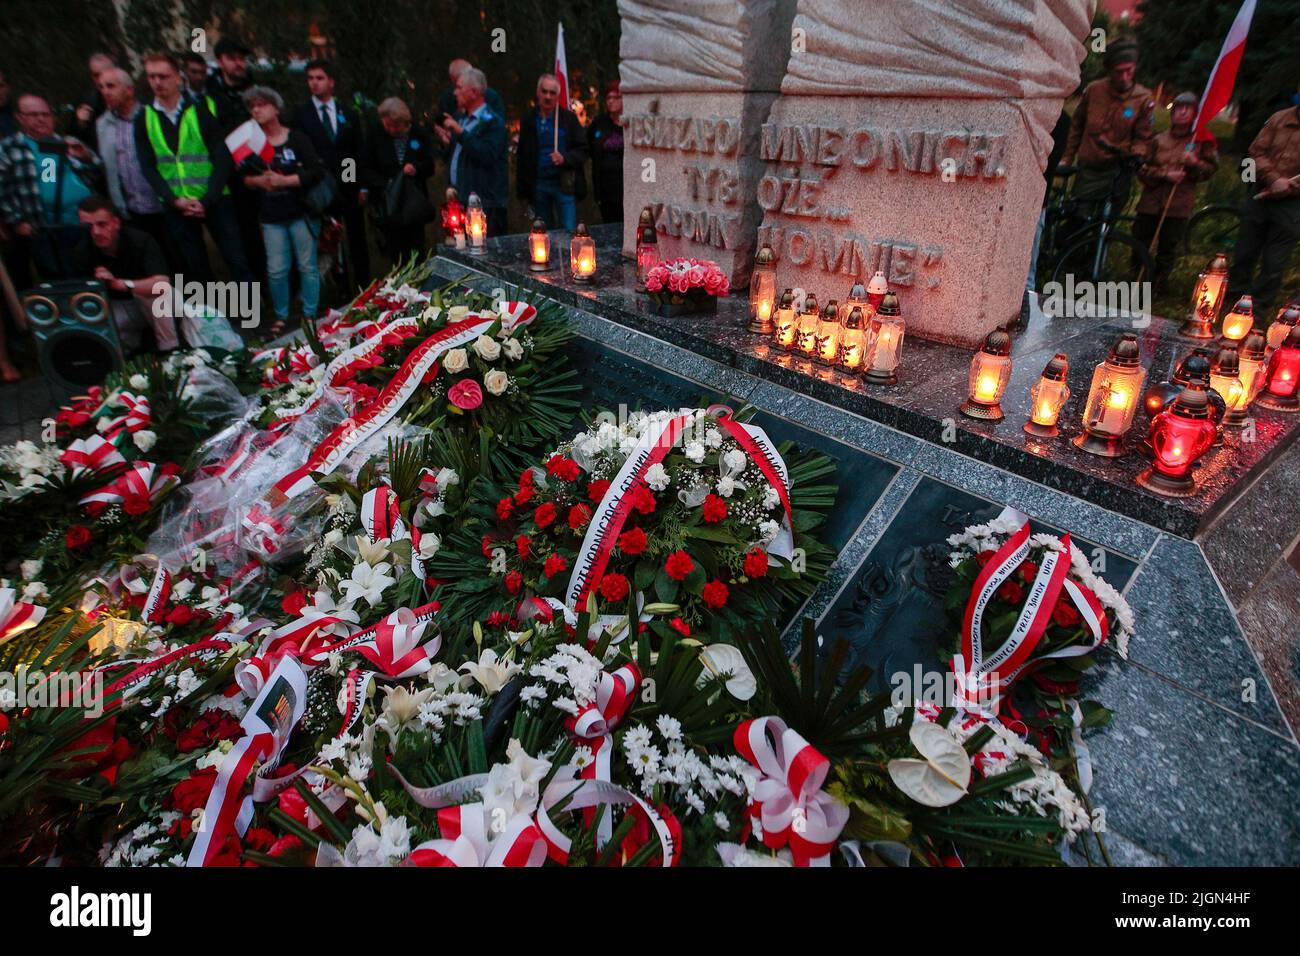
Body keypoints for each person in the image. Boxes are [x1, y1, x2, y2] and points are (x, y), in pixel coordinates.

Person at [134, 52, 252, 284]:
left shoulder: (200, 109)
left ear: (178, 78)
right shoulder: (144, 117)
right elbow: (148, 167)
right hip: (176, 204)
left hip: (214, 199)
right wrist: (172, 200)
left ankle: (251, 315)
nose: (157, 82)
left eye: (163, 76)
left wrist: (207, 200)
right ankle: (207, 319)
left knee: (236, 259)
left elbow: (222, 157)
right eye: (152, 77)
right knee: (194, 267)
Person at [241, 86, 323, 336]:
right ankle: (281, 315)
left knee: (307, 266)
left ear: (276, 108)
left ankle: (310, 313)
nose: (256, 110)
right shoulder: (251, 143)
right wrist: (259, 182)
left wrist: (285, 181)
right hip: (271, 217)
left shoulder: (296, 138)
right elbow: (243, 177)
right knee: (277, 269)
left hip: (300, 212)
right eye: (252, 106)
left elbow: (316, 171)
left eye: (262, 104)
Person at [0, 93, 103, 278]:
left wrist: (86, 157)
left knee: (87, 276)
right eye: (33, 115)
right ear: (19, 117)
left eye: (46, 114)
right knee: (55, 279)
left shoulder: (65, 142)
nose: (41, 119)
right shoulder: (10, 148)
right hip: (44, 230)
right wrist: (16, 221)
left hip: (82, 226)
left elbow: (96, 172)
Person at [292, 59, 369, 286]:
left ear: (331, 82)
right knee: (329, 240)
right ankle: (340, 286)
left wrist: (360, 185)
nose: (314, 83)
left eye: (319, 78)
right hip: (320, 187)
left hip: (348, 182)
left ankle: (364, 285)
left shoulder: (348, 112)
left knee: (356, 237)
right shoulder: (301, 114)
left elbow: (356, 150)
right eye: (310, 78)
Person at [1132, 92, 1218, 293]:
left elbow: (1211, 169)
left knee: (1167, 247)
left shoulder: (1200, 142)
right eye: (1179, 108)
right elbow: (1142, 168)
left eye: (1187, 109)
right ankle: (1137, 278)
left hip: (1178, 204)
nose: (1182, 112)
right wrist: (1164, 174)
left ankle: (1159, 284)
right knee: (1140, 241)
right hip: (1151, 202)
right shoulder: (1158, 140)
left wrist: (1195, 163)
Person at [95, 67, 176, 270]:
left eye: (111, 86)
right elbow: (108, 166)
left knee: (178, 261)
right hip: (132, 210)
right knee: (148, 266)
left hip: (164, 204)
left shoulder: (152, 116)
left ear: (129, 90)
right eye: (101, 87)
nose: (105, 92)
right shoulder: (103, 124)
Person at [71, 196, 174, 352]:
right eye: (88, 226)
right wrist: (97, 284)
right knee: (94, 323)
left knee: (160, 298)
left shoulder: (139, 240)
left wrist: (121, 284)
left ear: (116, 223)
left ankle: (172, 352)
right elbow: (82, 300)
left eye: (102, 224)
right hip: (116, 307)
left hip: (146, 302)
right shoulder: (82, 251)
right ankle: (121, 362)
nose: (96, 232)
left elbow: (162, 284)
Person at [1063, 36, 1155, 210]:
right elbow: (1077, 126)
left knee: (1105, 224)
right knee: (1077, 219)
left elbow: (1143, 137)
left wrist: (1137, 155)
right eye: (1118, 71)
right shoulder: (1094, 91)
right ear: (1110, 70)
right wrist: (1067, 157)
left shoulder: (1143, 99)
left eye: (1129, 70)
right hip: (1089, 169)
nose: (1124, 77)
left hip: (1117, 172)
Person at [1229, 99, 1300, 317]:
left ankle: (1257, 310)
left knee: (1274, 262)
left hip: (1292, 205)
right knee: (1244, 252)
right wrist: (1274, 179)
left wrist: (1290, 187)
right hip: (1260, 195)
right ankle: (1231, 301)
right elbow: (1256, 152)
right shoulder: (1279, 118)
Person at [360, 97, 434, 264]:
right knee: (395, 252)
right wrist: (379, 185)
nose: (390, 129)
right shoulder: (376, 135)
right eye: (387, 125)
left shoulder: (418, 134)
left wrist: (416, 169)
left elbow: (430, 165)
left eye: (395, 126)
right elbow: (365, 167)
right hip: (389, 203)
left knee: (416, 249)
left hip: (413, 204)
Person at [435, 67, 507, 236]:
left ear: (473, 92)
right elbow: (460, 154)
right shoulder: (461, 119)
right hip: (459, 201)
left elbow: (487, 154)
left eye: (459, 88)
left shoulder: (493, 122)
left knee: (484, 255)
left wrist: (460, 133)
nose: (455, 92)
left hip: (485, 204)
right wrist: (448, 142)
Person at [516, 73, 587, 230]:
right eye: (544, 91)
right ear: (538, 92)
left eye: (552, 93)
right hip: (539, 185)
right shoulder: (528, 119)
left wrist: (565, 159)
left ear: (558, 96)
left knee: (568, 230)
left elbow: (583, 150)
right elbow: (522, 155)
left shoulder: (568, 119)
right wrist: (522, 191)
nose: (548, 96)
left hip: (564, 185)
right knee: (543, 233)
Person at [435, 59, 505, 144]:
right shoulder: (448, 98)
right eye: (454, 84)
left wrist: (461, 132)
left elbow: (488, 145)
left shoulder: (491, 101)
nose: (455, 92)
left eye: (460, 86)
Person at [587, 81, 624, 224]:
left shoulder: (632, 124)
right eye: (608, 98)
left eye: (616, 98)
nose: (611, 102)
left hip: (627, 189)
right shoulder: (599, 123)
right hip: (606, 190)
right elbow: (589, 146)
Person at [71, 53, 116, 150]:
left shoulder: (129, 98)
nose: (100, 79)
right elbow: (74, 140)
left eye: (104, 73)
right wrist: (80, 124)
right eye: (96, 75)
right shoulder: (86, 102)